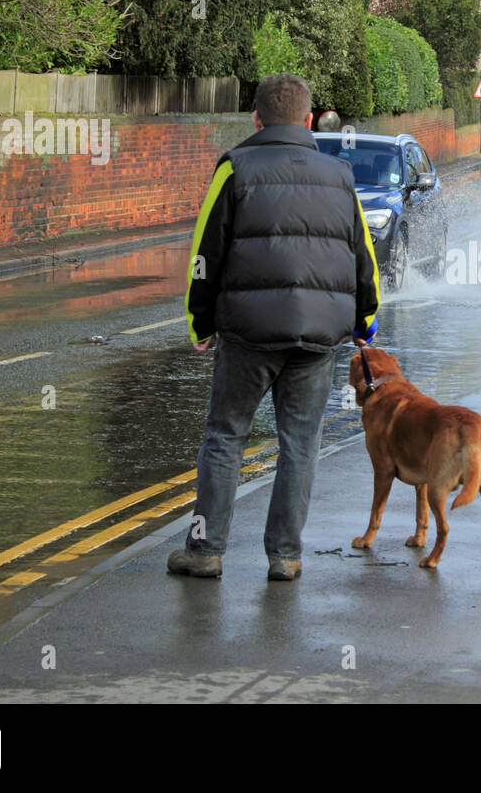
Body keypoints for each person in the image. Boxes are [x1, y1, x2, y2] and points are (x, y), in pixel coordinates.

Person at [168, 73, 380, 582]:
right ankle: (285, 556)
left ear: (256, 119)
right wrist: (364, 322)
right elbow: (362, 257)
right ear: (309, 121)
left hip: (247, 334)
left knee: (225, 436)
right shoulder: (340, 176)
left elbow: (205, 252)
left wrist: (199, 319)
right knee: (300, 445)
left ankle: (205, 551)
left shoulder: (235, 167)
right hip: (317, 338)